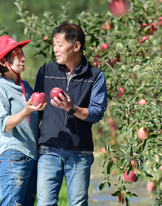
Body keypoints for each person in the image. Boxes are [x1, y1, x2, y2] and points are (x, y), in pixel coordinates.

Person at [34, 21, 108, 206]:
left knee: (77, 203)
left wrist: (72, 108)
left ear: (76, 46)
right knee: (44, 203)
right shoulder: (46, 71)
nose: (55, 50)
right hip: (48, 150)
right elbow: (37, 112)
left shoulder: (95, 76)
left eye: (59, 45)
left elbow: (97, 113)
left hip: (79, 152)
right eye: (54, 45)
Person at [0, 35, 47, 206]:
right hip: (13, 155)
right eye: (17, 54)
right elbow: (4, 124)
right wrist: (25, 111)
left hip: (31, 156)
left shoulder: (25, 86)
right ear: (4, 62)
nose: (23, 57)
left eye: (22, 52)